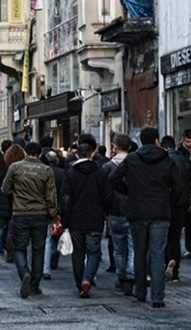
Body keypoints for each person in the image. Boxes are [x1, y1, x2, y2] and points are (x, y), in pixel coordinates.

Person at [109, 127, 181, 308]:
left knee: (139, 253)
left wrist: (129, 192)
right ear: (157, 140)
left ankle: (140, 291)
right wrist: (167, 200)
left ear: (140, 141)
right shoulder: (167, 159)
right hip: (160, 213)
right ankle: (157, 297)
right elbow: (178, 187)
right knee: (157, 255)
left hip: (137, 211)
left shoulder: (132, 159)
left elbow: (113, 178)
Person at [2, 142, 57, 299]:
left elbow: (5, 189)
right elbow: (51, 196)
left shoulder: (15, 167)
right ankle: (35, 285)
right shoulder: (46, 170)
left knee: (20, 248)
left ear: (25, 152)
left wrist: (17, 194)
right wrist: (53, 217)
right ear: (40, 154)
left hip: (20, 213)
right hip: (40, 214)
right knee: (38, 250)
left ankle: (24, 273)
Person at [60, 144, 113, 298]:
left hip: (76, 219)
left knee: (78, 253)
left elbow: (65, 199)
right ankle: (87, 279)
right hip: (94, 218)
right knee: (94, 252)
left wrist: (65, 218)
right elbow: (108, 195)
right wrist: (105, 211)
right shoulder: (99, 172)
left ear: (77, 155)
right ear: (92, 154)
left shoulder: (71, 173)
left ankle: (80, 284)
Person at [102, 134, 135, 295]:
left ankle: (121, 276)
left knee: (118, 249)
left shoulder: (107, 167)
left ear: (115, 147)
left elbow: (104, 191)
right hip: (134, 211)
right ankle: (130, 275)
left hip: (114, 212)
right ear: (130, 147)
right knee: (132, 247)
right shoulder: (136, 163)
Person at [161, 135, 191, 282]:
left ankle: (167, 262)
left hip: (164, 204)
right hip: (182, 205)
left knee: (163, 237)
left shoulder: (163, 161)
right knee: (175, 238)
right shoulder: (185, 160)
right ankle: (175, 271)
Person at [42, 151, 65, 280]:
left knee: (47, 238)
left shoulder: (43, 172)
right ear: (57, 160)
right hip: (59, 208)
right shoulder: (62, 173)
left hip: (44, 209)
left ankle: (46, 268)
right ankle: (54, 253)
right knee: (56, 234)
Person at [177, 128, 191, 259]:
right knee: (189, 222)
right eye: (187, 141)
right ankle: (190, 248)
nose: (190, 144)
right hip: (187, 191)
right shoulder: (180, 152)